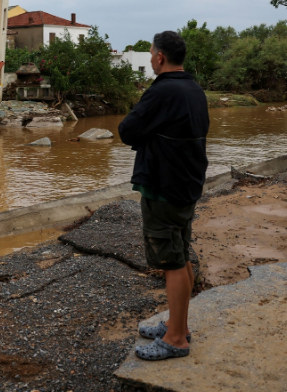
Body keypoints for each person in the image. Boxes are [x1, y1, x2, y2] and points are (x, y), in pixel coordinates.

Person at [118, 30, 209, 361]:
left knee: (171, 262)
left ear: (159, 57)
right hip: (187, 183)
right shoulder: (193, 88)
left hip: (165, 186)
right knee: (181, 256)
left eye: (151, 54)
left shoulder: (162, 90)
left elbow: (127, 130)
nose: (151, 59)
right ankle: (177, 325)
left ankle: (176, 340)